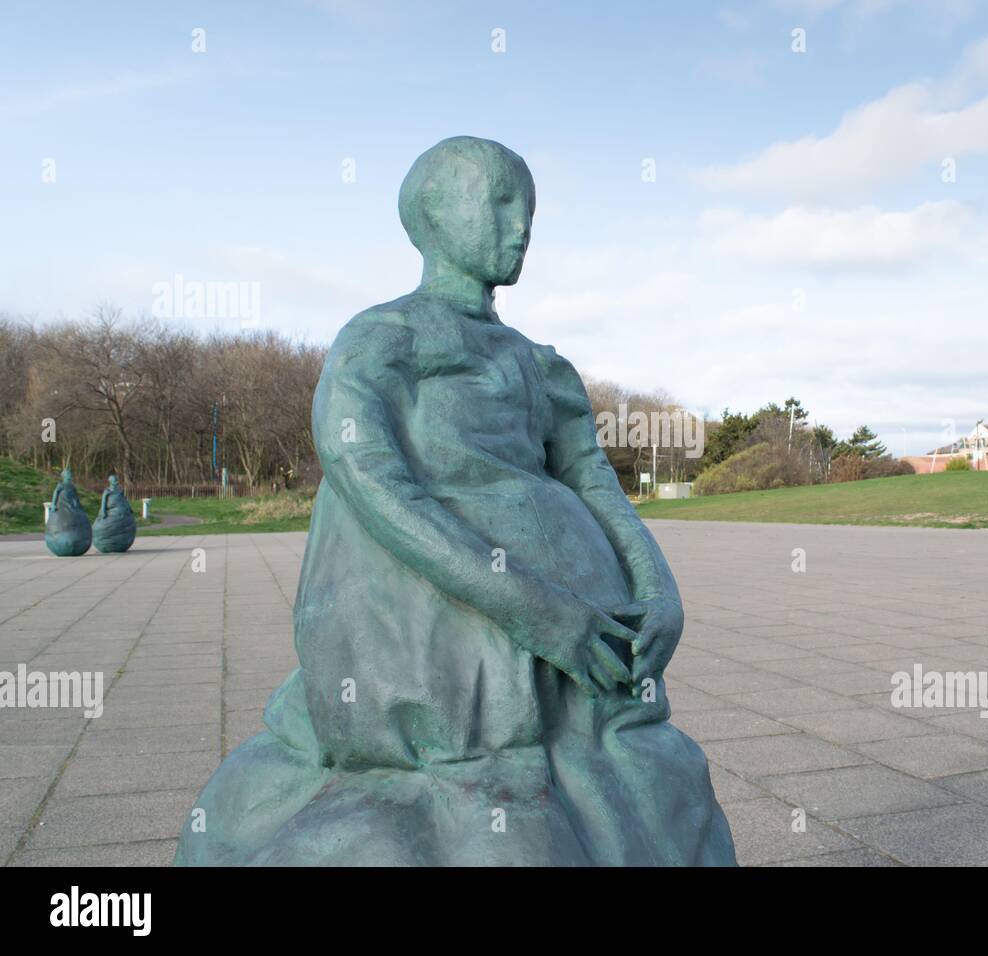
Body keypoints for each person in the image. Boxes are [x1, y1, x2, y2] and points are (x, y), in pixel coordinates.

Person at [176, 137, 736, 866]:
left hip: (583, 656)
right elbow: (368, 478)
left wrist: (658, 585)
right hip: (444, 640)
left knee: (645, 790)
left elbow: (592, 477)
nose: (522, 224)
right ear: (433, 214)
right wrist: (528, 605)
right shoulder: (385, 339)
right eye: (501, 201)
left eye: (529, 206)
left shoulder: (540, 363)